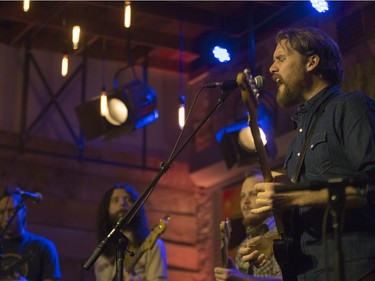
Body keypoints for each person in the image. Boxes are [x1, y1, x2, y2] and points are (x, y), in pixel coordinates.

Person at [240, 27, 375, 281]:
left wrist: (291, 198)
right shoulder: (297, 140)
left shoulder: (351, 107)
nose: (271, 68)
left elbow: (370, 187)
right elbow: (309, 213)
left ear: (312, 62)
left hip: (355, 269)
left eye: (280, 58)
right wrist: (273, 240)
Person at [214, 171, 282, 281]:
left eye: (253, 194)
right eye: (242, 196)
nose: (245, 201)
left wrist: (242, 279)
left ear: (269, 196)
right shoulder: (243, 247)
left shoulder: (282, 233)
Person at [94, 183, 168, 281]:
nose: (122, 203)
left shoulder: (154, 244)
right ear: (107, 208)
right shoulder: (101, 250)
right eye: (115, 200)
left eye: (128, 199)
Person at [0, 186, 61, 281]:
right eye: (1, 212)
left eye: (11, 211)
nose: (6, 218)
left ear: (24, 211)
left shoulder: (43, 247)